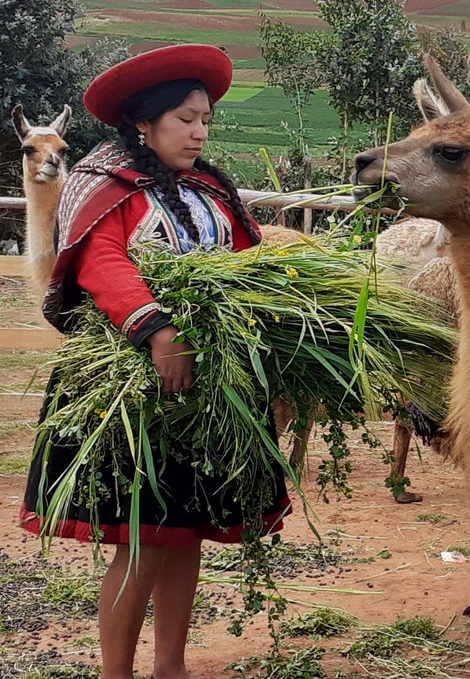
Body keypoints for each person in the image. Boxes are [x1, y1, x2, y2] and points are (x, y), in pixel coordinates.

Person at [18, 44, 290, 679]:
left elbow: (249, 262)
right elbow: (101, 260)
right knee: (137, 543)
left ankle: (171, 666)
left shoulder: (212, 188)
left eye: (205, 120)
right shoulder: (104, 182)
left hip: (209, 388)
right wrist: (156, 329)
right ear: (145, 123)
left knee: (186, 535)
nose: (198, 133)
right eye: (185, 120)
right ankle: (116, 673)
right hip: (133, 385)